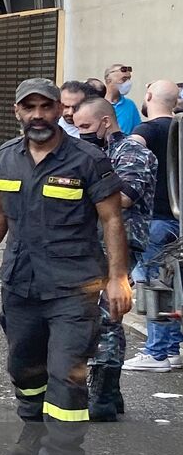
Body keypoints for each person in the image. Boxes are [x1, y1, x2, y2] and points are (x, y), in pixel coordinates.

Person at [0, 79, 132, 455]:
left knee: (67, 374)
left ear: (61, 109)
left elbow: (112, 219)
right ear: (16, 112)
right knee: (24, 366)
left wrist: (118, 277)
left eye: (46, 106)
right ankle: (33, 425)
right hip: (21, 282)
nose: (38, 115)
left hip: (74, 286)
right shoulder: (7, 157)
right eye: (30, 108)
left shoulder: (88, 159)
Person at [72, 97, 155, 419]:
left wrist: (75, 189)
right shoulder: (99, 154)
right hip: (94, 244)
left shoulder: (132, 153)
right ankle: (111, 393)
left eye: (86, 127)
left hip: (120, 245)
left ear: (105, 121)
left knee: (106, 318)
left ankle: (104, 394)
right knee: (99, 315)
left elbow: (123, 198)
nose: (81, 134)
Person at [124, 80, 183, 371]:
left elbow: (131, 159)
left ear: (148, 97)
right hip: (177, 221)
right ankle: (172, 349)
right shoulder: (179, 129)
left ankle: (157, 352)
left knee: (152, 284)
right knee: (174, 286)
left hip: (156, 219)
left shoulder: (145, 131)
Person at [104, 63, 141, 134]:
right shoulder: (98, 104)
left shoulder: (130, 105)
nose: (128, 83)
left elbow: (137, 131)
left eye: (129, 79)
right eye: (124, 79)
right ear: (109, 80)